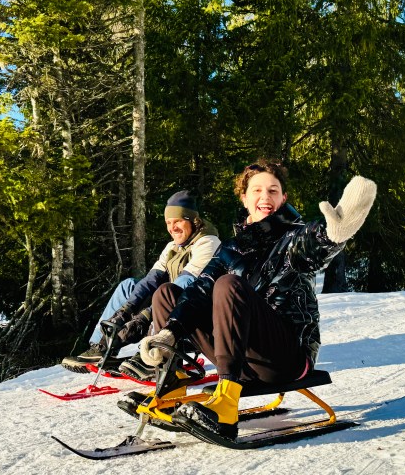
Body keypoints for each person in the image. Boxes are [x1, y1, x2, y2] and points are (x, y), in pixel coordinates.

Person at [136, 161, 377, 439]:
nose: (265, 197)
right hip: (243, 358)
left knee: (229, 285)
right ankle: (171, 391)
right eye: (258, 190)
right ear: (244, 197)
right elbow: (200, 290)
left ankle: (226, 405)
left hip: (286, 358)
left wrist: (334, 235)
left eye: (273, 191)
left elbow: (314, 243)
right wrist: (170, 332)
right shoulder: (229, 249)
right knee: (167, 295)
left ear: (283, 198)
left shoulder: (293, 238)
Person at [61, 190, 221, 374]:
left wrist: (144, 316)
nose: (172, 228)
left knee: (166, 291)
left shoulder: (208, 242)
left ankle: (151, 355)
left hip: (195, 310)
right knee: (128, 285)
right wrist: (126, 310)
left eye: (178, 221)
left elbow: (185, 284)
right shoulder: (172, 247)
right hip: (170, 299)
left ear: (193, 221)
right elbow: (151, 279)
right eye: (168, 223)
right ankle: (102, 346)